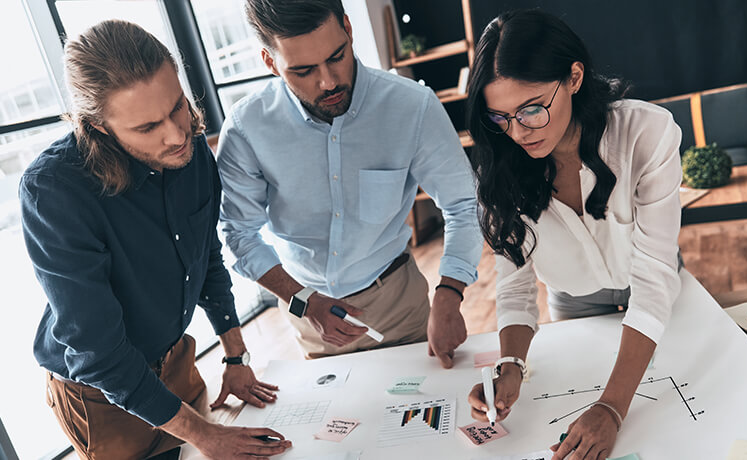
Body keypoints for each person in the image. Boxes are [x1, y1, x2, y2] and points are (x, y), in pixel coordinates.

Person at [20, 20, 291, 460]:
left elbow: (206, 258)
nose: (176, 134)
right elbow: (99, 353)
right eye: (147, 127)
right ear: (99, 126)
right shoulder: (53, 190)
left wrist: (235, 356)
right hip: (100, 391)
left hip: (176, 359)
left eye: (178, 107)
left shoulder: (191, 147)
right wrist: (206, 434)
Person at [464, 10, 682, 460]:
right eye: (500, 117)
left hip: (659, 294)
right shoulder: (500, 169)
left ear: (574, 77)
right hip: (574, 303)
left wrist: (612, 407)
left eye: (532, 108)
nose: (518, 132)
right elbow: (516, 287)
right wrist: (511, 365)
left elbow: (656, 278)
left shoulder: (647, 132)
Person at [216, 0, 483, 366]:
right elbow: (238, 235)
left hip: (400, 306)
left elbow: (463, 205)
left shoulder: (412, 107)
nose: (328, 82)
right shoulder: (248, 129)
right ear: (269, 62)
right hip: (306, 311)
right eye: (304, 71)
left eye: (337, 56)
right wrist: (304, 302)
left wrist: (450, 293)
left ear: (348, 28)